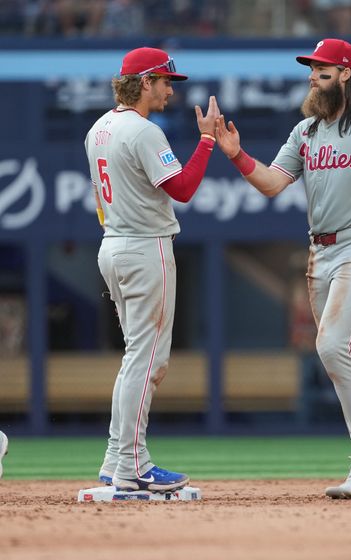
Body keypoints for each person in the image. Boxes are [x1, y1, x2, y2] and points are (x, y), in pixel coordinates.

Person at [215, 38, 351, 499]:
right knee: (347, 356)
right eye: (311, 69)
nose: (313, 75)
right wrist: (235, 154)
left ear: (346, 73)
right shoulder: (305, 131)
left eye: (322, 69)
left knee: (331, 345)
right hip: (319, 253)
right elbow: (270, 183)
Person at [85, 47, 220, 492]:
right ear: (144, 82)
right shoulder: (143, 131)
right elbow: (181, 188)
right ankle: (134, 465)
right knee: (148, 360)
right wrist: (206, 142)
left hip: (113, 247)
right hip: (145, 249)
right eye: (164, 81)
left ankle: (115, 458)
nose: (169, 90)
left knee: (134, 358)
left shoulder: (98, 128)